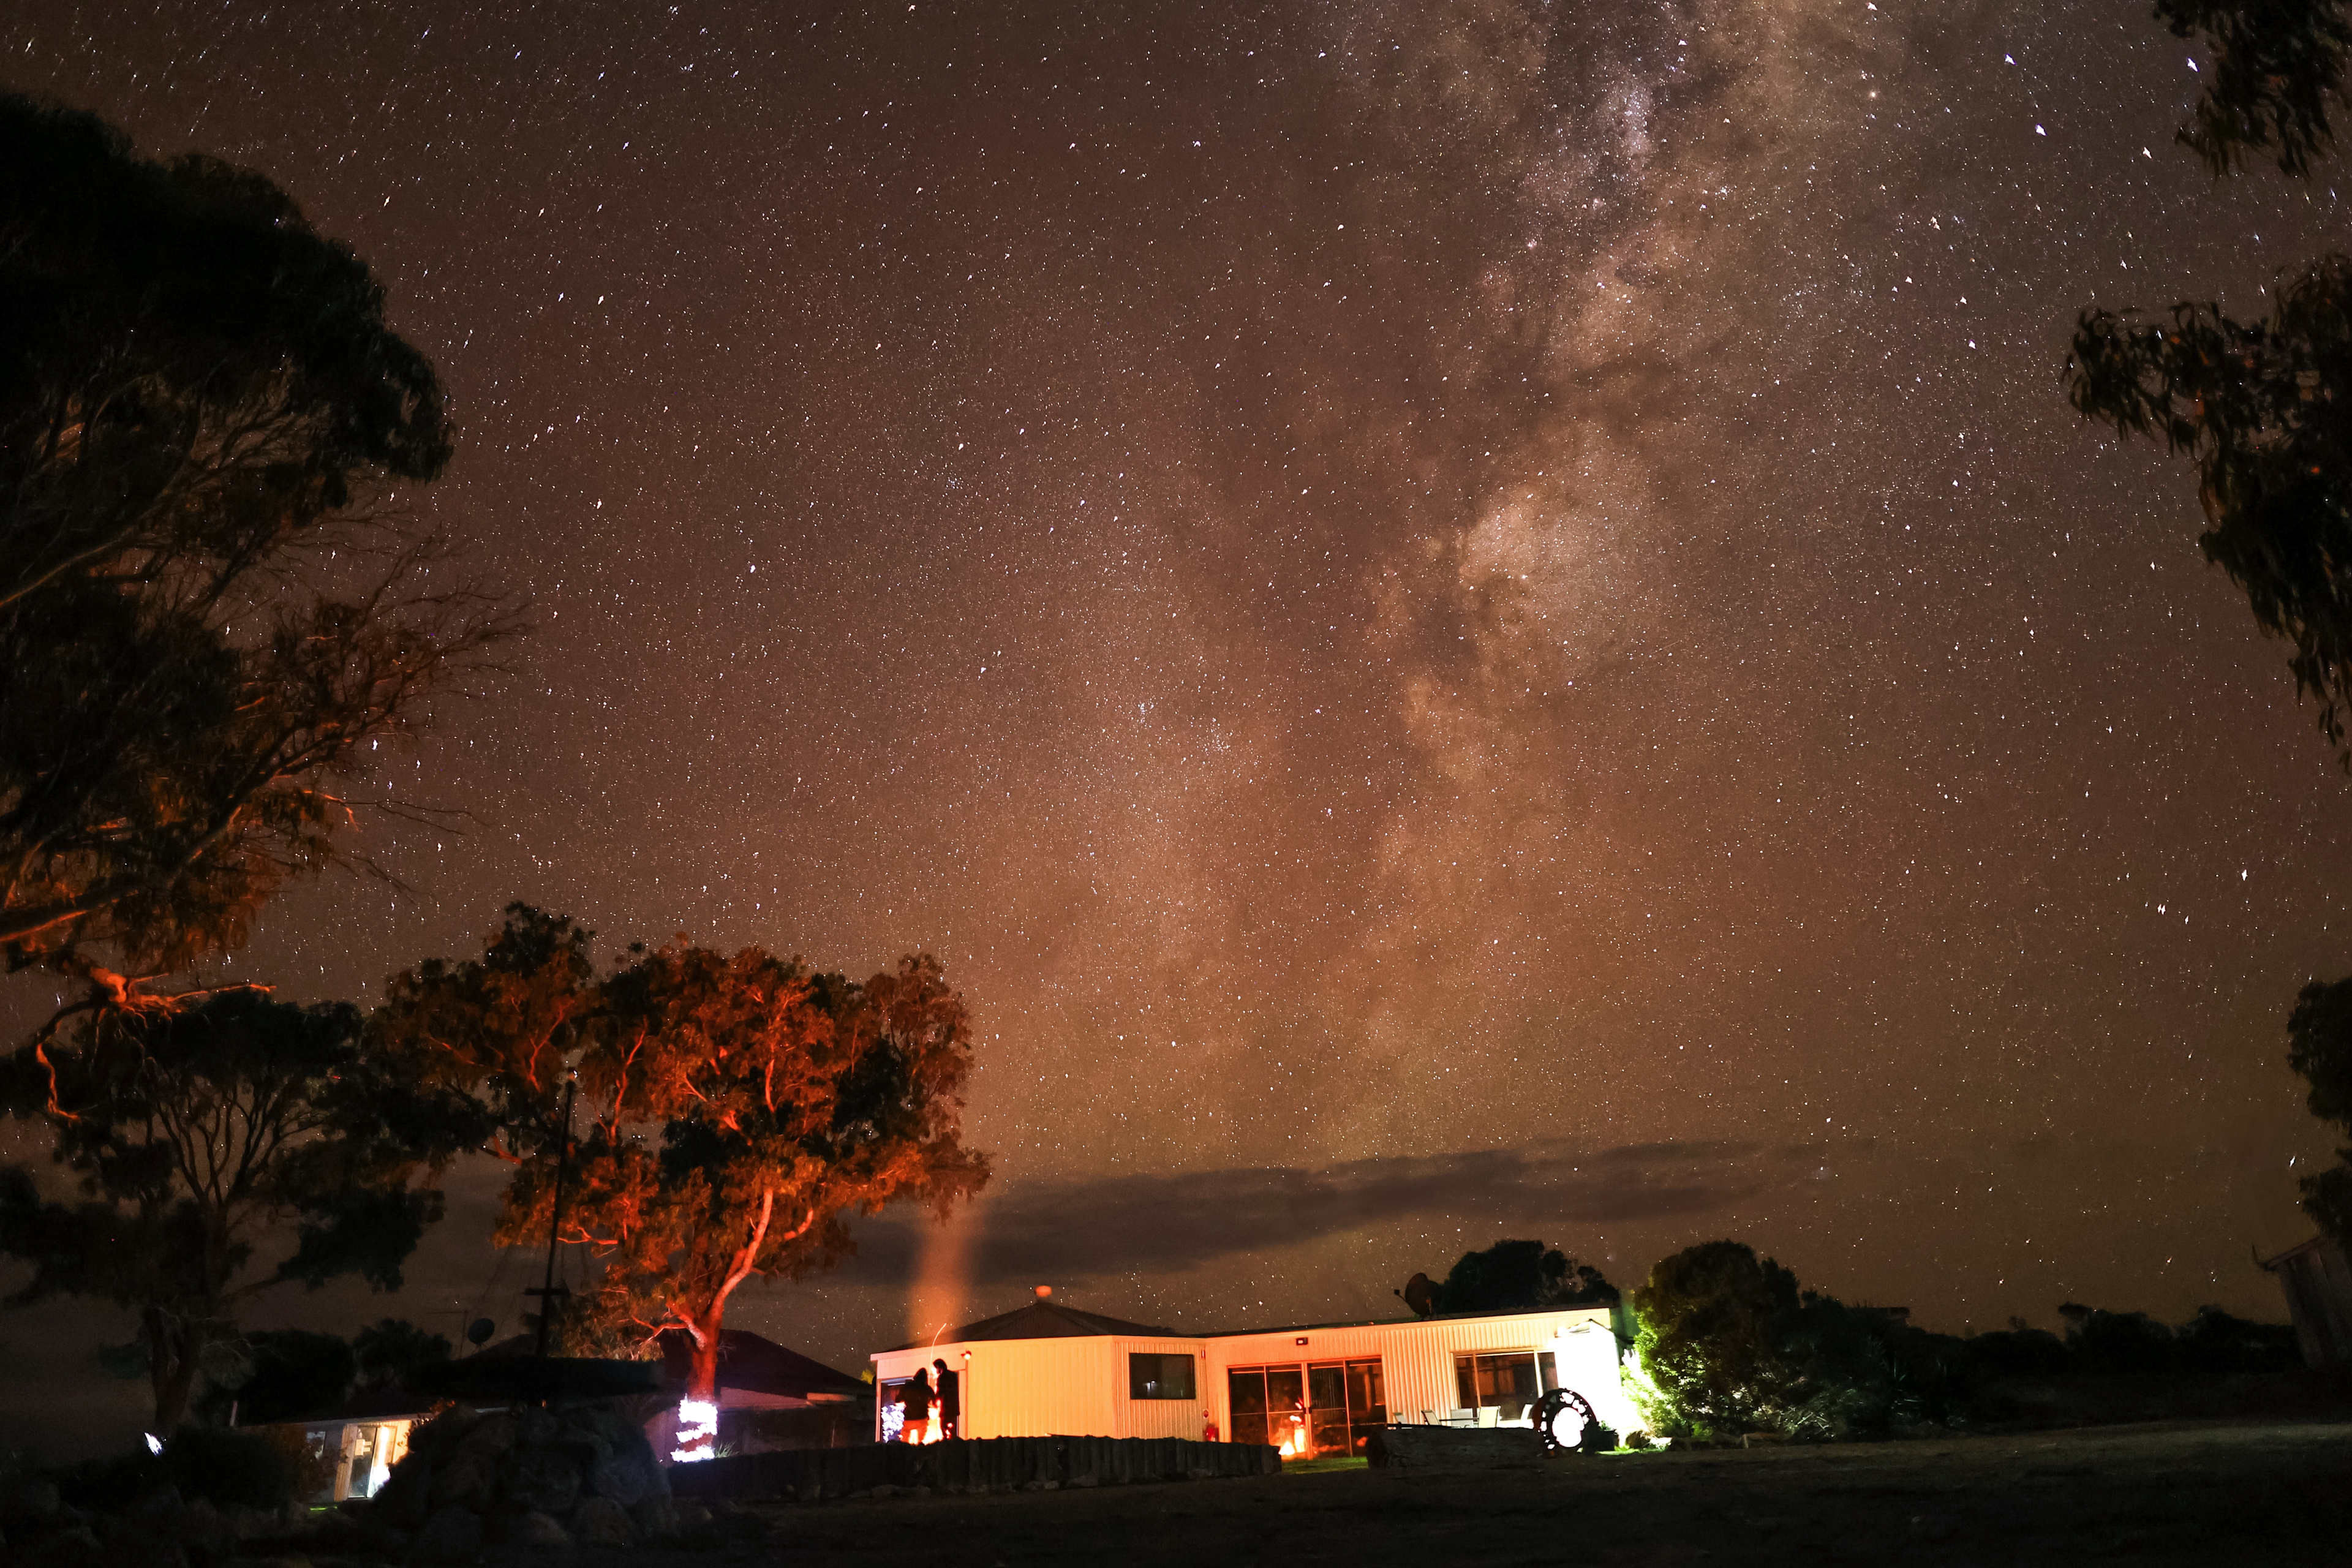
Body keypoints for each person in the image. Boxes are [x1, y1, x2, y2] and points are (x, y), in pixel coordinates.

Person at [932, 1357, 961, 1440]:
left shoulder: (942, 1378)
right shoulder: (953, 1376)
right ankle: (954, 1446)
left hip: (945, 1409)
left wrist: (934, 1403)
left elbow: (939, 1393)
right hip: (954, 1408)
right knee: (952, 1430)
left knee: (943, 1429)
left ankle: (946, 1446)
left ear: (939, 1367)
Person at [901, 1367, 933, 1443]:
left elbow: (898, 1401)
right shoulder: (927, 1388)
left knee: (905, 1437)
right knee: (921, 1439)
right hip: (922, 1418)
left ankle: (904, 1449)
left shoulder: (907, 1387)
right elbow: (934, 1402)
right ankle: (920, 1448)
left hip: (909, 1418)